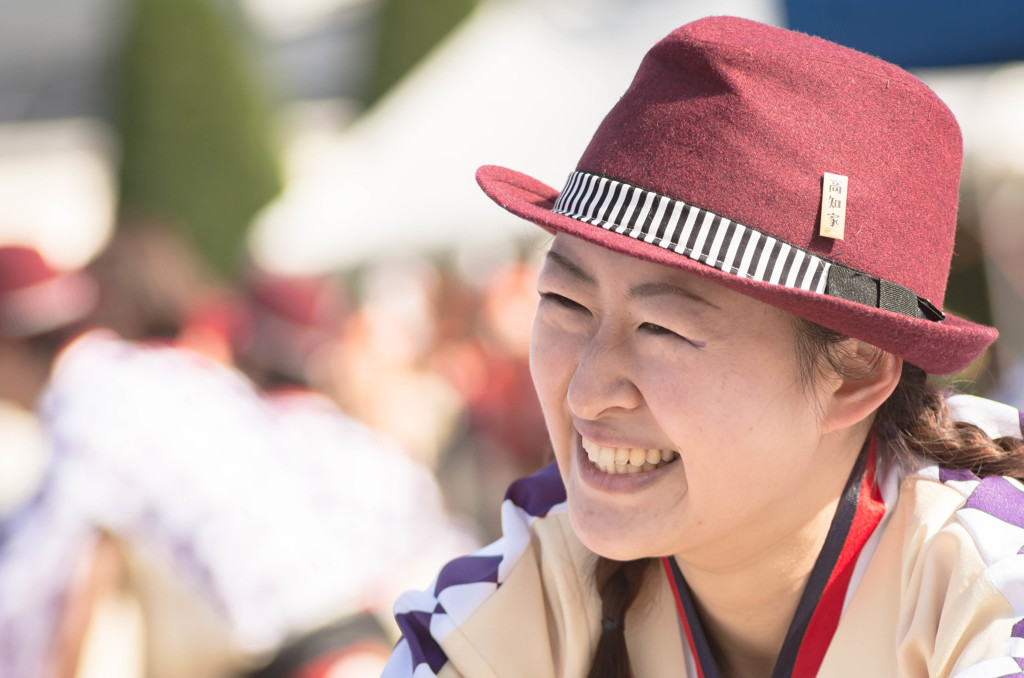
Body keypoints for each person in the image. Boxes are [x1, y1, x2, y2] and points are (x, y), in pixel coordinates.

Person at [383, 16, 1024, 678]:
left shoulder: (992, 584)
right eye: (565, 304)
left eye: (661, 328)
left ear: (856, 370)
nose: (586, 391)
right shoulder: (509, 604)